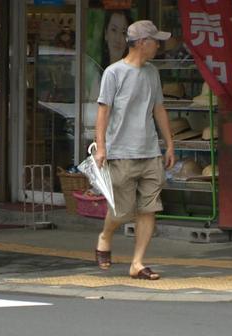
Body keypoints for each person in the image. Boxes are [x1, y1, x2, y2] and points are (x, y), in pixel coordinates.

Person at [93, 20, 175, 280]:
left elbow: (158, 109)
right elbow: (103, 112)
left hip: (150, 151)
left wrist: (169, 143)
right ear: (142, 43)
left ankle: (137, 263)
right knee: (121, 211)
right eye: (155, 41)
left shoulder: (152, 73)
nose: (158, 46)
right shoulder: (114, 73)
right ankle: (106, 235)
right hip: (121, 152)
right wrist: (102, 147)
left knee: (149, 208)